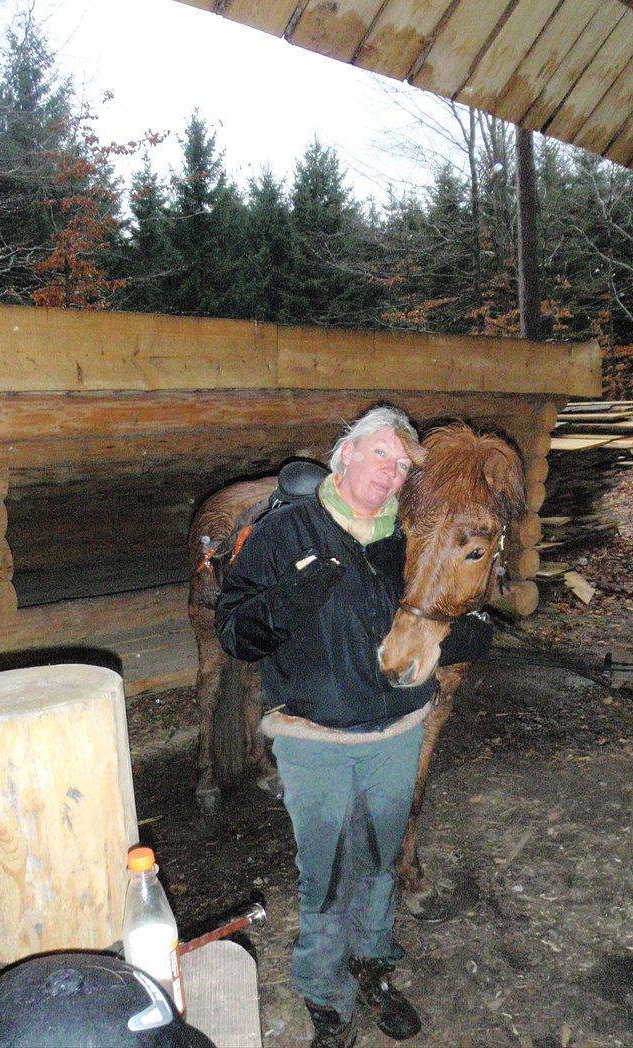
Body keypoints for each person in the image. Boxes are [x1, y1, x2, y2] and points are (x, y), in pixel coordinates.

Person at [215, 405, 432, 1048]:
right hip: (316, 740)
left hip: (398, 730)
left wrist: (466, 633)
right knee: (326, 873)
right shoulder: (288, 533)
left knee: (381, 859)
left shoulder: (409, 541)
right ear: (344, 456)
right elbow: (234, 633)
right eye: (379, 455)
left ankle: (373, 967)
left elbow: (434, 613)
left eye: (400, 466)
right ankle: (326, 995)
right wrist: (288, 601)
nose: (389, 474)